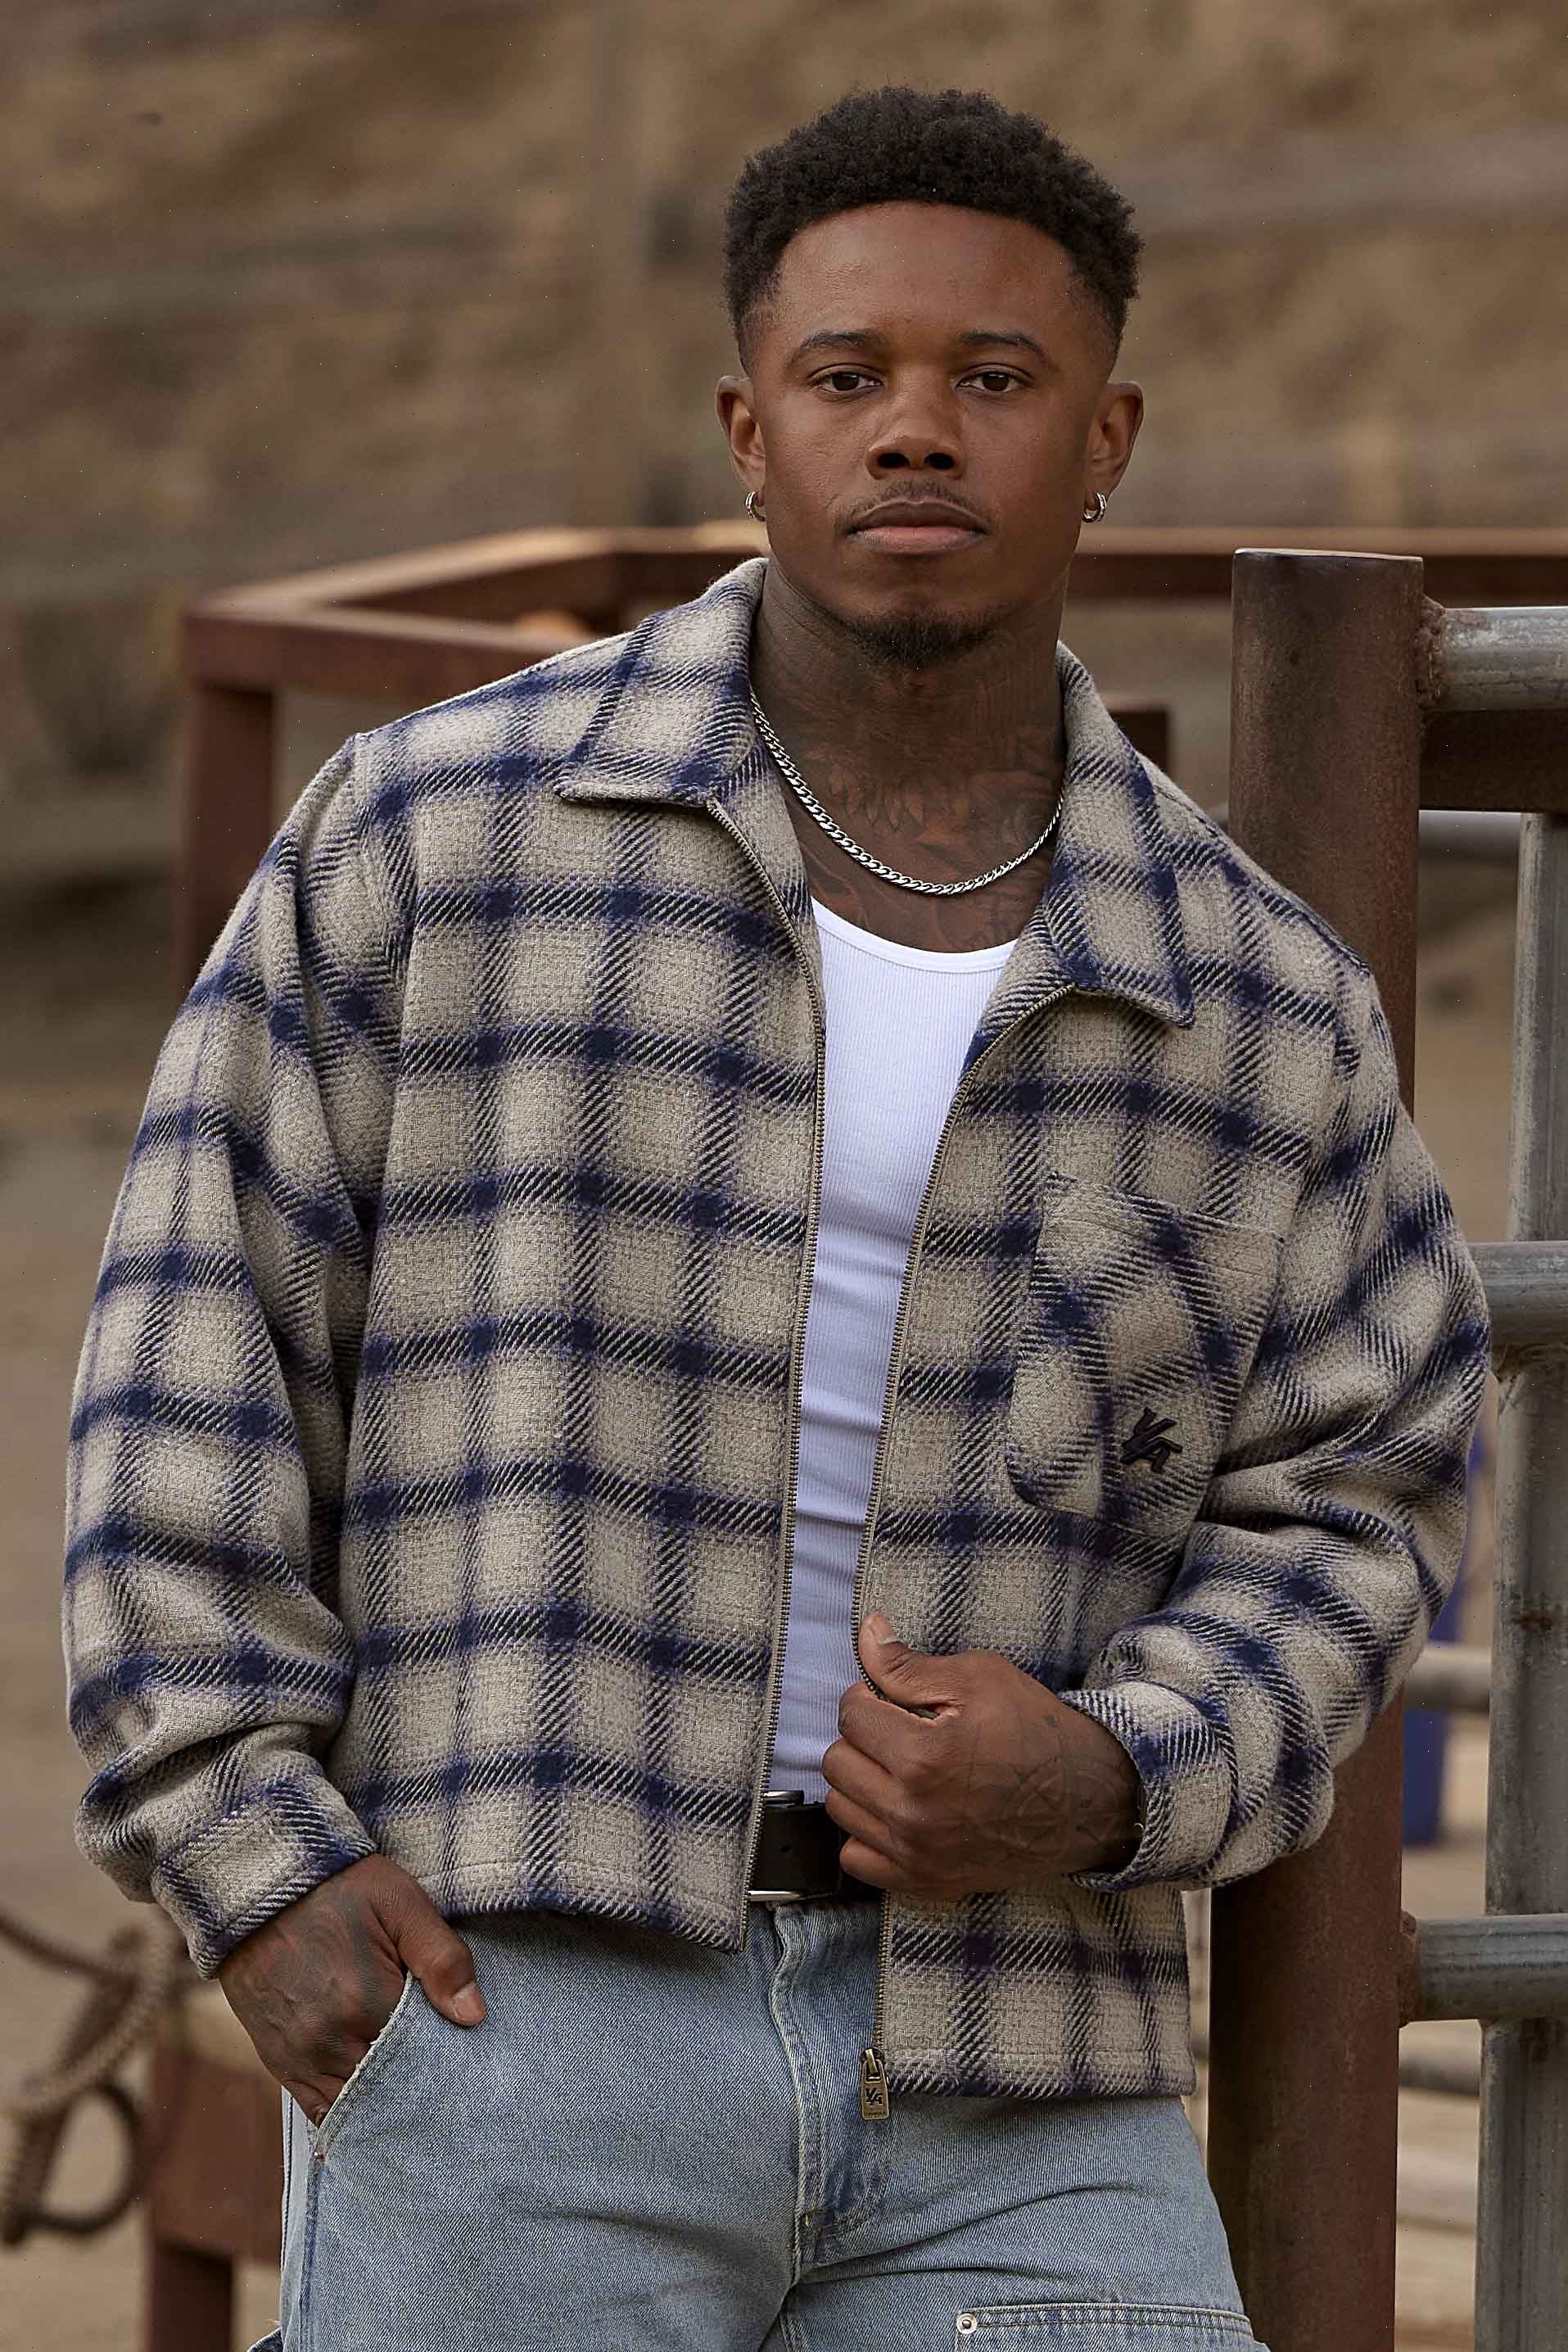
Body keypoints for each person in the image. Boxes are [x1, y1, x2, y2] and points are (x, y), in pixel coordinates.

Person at [65, 86, 1489, 2352]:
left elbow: (1362, 1493)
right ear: (750, 428)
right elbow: (190, 1356)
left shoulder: (1250, 994)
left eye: (994, 378)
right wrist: (254, 1869)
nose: (914, 428)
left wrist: (1119, 1769)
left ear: (1105, 440)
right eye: (847, 376)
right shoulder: (437, 837)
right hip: (518, 2011)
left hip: (1022, 2063)